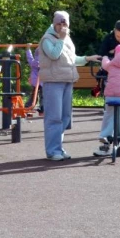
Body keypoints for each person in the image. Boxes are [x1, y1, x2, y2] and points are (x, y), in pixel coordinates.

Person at [38, 11, 101, 161]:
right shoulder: (47, 39)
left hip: (67, 80)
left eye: (64, 23)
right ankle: (53, 151)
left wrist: (88, 58)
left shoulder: (66, 39)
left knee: (65, 117)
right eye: (59, 23)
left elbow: (72, 59)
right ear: (53, 23)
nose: (62, 26)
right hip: (53, 82)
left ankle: (58, 148)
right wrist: (61, 38)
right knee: (54, 117)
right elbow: (54, 55)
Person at [25, 45, 41, 111]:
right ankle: (42, 108)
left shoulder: (33, 62)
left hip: (35, 81)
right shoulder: (45, 62)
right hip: (43, 80)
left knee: (34, 95)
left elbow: (29, 58)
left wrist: (28, 49)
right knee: (43, 95)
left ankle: (28, 106)